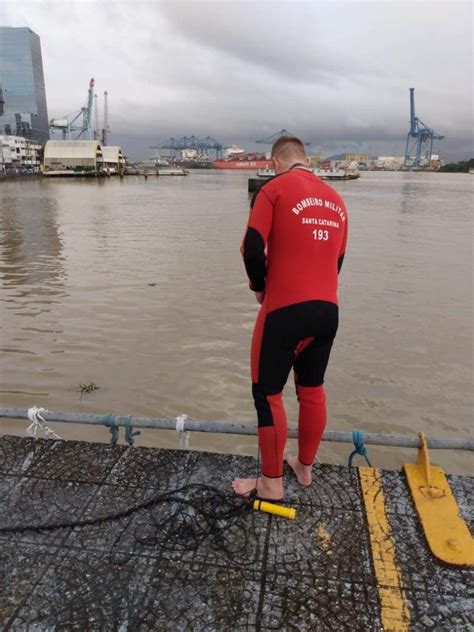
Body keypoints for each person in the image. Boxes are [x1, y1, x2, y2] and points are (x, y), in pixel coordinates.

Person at [232, 136, 348, 500]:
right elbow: (338, 259)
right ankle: (305, 467)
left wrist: (260, 287)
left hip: (284, 309)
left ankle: (271, 482)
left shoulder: (274, 189)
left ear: (276, 161)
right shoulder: (337, 200)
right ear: (306, 159)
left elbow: (251, 246)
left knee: (267, 395)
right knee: (312, 391)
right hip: (327, 311)